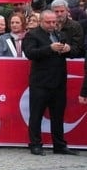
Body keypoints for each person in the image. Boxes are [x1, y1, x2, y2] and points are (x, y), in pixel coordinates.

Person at [22, 10, 79, 156]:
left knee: (58, 116)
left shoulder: (60, 34)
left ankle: (59, 145)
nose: (52, 25)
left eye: (54, 22)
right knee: (36, 115)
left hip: (58, 82)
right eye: (48, 22)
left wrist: (68, 49)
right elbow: (30, 53)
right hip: (40, 83)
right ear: (41, 21)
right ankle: (35, 144)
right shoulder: (32, 35)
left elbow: (75, 52)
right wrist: (49, 48)